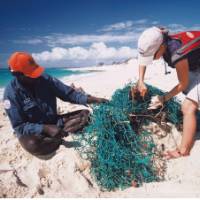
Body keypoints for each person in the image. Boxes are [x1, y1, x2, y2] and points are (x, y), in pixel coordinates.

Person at [3, 52, 108, 156]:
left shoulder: (45, 79)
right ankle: (57, 137)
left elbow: (69, 94)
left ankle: (56, 136)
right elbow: (19, 126)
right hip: (35, 132)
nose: (36, 76)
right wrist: (45, 128)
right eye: (30, 75)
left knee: (85, 115)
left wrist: (94, 99)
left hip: (54, 122)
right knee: (32, 144)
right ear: (17, 75)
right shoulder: (10, 94)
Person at [135, 26, 200, 159]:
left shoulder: (176, 51)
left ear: (162, 47)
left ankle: (183, 151)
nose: (151, 60)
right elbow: (143, 60)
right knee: (191, 93)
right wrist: (141, 81)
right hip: (195, 66)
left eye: (152, 56)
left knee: (188, 107)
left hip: (196, 68)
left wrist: (163, 98)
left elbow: (182, 84)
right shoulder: (158, 36)